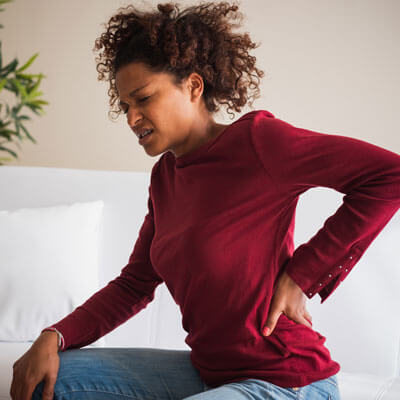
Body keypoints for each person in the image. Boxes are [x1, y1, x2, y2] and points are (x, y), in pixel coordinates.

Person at [10, 1, 400, 399]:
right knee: (52, 378)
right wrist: (54, 335)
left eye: (143, 99)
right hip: (211, 376)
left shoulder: (259, 143)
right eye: (125, 106)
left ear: (194, 86)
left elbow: (389, 175)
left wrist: (303, 273)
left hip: (288, 381)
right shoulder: (164, 178)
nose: (131, 118)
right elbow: (135, 284)